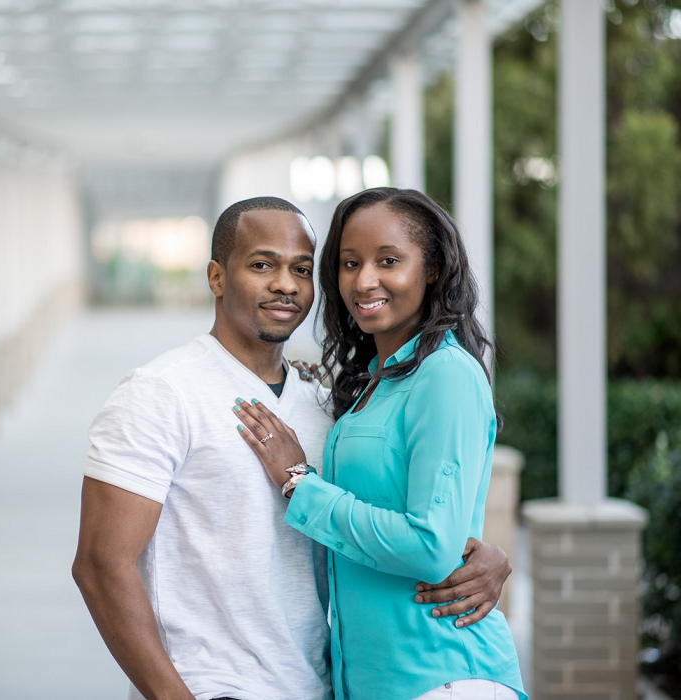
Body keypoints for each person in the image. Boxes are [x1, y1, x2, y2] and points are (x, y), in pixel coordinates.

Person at [72, 196, 513, 700]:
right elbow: (100, 565)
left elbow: (408, 518)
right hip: (212, 686)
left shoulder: (329, 405)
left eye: (301, 269)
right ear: (217, 277)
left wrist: (486, 555)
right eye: (262, 265)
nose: (285, 284)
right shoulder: (160, 392)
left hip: (319, 686)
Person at [231, 188, 526, 700]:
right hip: (376, 683)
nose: (364, 280)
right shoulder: (372, 384)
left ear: (432, 269)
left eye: (388, 261)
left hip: (443, 675)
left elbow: (432, 545)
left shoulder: (446, 374)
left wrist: (301, 484)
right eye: (349, 263)